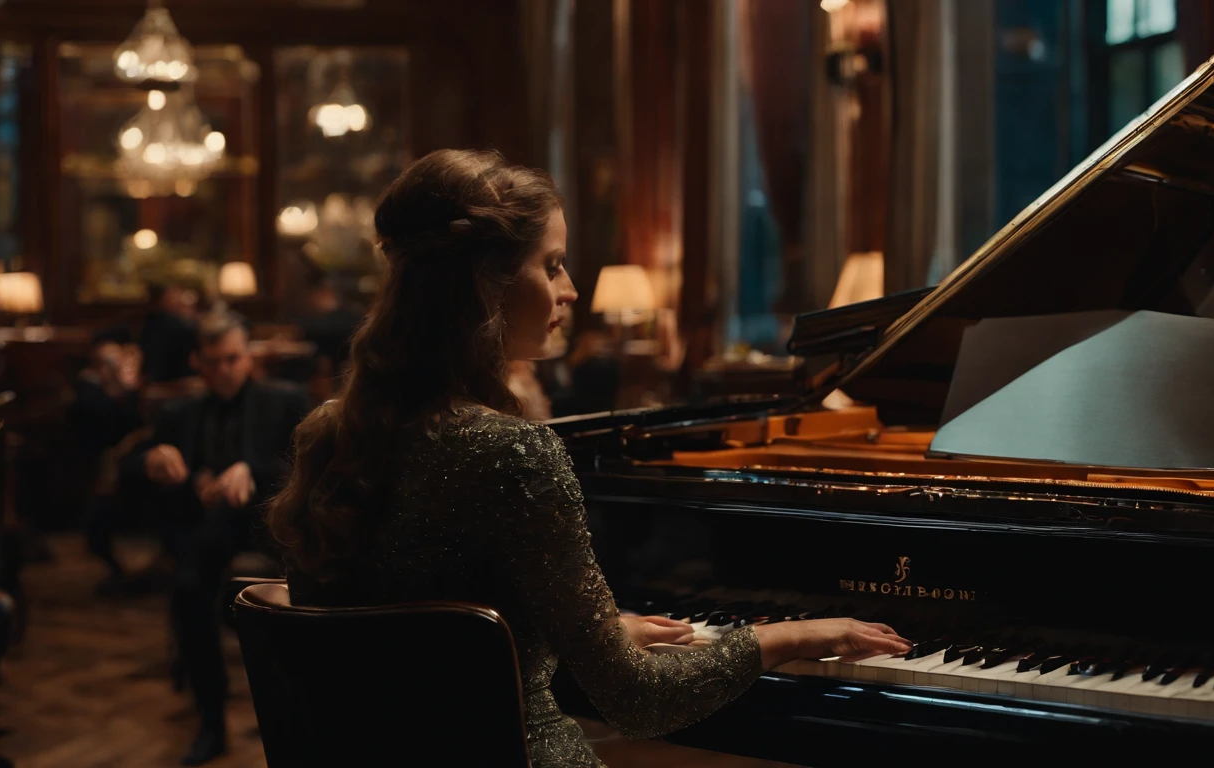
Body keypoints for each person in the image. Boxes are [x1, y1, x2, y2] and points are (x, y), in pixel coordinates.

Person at [265, 149, 910, 768]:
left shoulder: (327, 435)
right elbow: (637, 700)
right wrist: (793, 635)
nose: (570, 290)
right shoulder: (510, 451)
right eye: (552, 266)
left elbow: (406, 639)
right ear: (483, 283)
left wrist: (565, 632)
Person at [125, 311, 310, 765]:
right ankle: (211, 721)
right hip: (202, 528)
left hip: (269, 526)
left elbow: (310, 466)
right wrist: (153, 458)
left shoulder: (285, 401)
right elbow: (133, 464)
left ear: (248, 358)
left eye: (233, 358)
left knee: (200, 573)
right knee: (190, 587)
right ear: (197, 362)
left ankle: (299, 711)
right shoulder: (178, 412)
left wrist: (253, 471)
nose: (225, 369)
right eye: (215, 361)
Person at [68, 331, 144, 595]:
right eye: (111, 362)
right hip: (92, 470)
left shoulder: (110, 390)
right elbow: (106, 429)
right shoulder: (88, 392)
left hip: (113, 466)